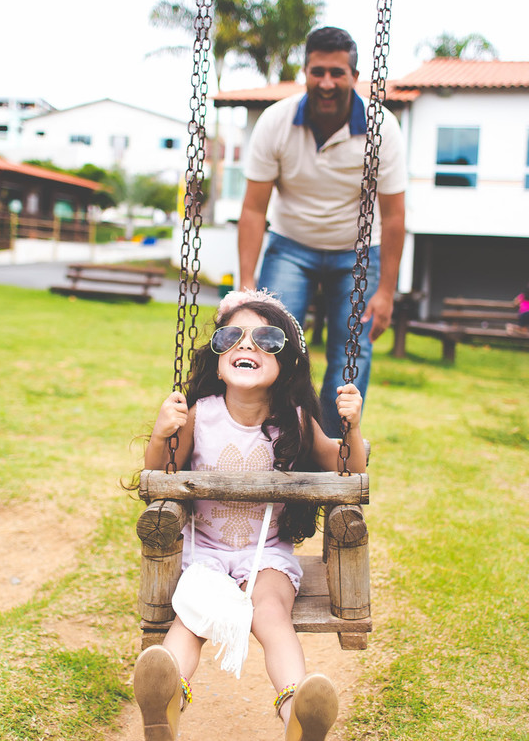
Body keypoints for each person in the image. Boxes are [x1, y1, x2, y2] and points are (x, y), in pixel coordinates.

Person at [134, 289, 367, 741]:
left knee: (271, 611)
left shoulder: (296, 420)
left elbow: (347, 469)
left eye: (266, 338)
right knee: (192, 617)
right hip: (205, 553)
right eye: (231, 336)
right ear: (217, 356)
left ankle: (298, 711)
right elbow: (159, 472)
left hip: (267, 554)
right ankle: (166, 704)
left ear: (288, 365)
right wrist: (163, 433)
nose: (246, 344)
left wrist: (352, 428)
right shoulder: (197, 415)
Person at [238, 26, 407, 437]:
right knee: (272, 340)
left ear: (353, 75)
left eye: (337, 72)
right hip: (291, 246)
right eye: (318, 72)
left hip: (357, 253)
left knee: (351, 353)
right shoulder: (277, 122)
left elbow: (396, 215)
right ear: (305, 72)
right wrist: (245, 284)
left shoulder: (380, 127)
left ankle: (331, 451)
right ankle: (275, 440)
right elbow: (253, 209)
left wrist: (385, 291)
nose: (327, 83)